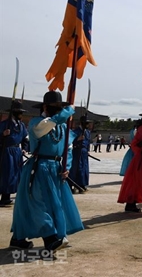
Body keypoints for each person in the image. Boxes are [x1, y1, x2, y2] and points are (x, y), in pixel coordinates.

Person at [10, 91, 83, 251]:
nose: (58, 110)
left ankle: (18, 238)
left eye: (60, 107)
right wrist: (69, 111)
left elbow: (68, 148)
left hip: (56, 169)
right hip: (39, 167)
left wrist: (67, 167)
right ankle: (50, 239)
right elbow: (49, 124)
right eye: (55, 107)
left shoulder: (63, 126)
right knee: (38, 203)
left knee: (54, 204)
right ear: (45, 107)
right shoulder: (37, 123)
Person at [0, 101, 28, 206]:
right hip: (7, 151)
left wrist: (24, 148)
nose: (21, 115)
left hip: (17, 152)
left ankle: (9, 195)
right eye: (19, 112)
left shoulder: (21, 126)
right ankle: (4, 196)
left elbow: (25, 139)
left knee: (16, 174)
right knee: (7, 173)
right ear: (14, 112)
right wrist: (3, 135)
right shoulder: (4, 124)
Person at [69, 115, 92, 194]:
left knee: (84, 168)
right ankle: (72, 185)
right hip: (76, 151)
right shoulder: (75, 131)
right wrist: (77, 139)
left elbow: (88, 142)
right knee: (76, 168)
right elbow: (69, 141)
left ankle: (82, 184)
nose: (88, 125)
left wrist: (88, 150)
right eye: (86, 123)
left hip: (84, 153)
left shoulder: (88, 132)